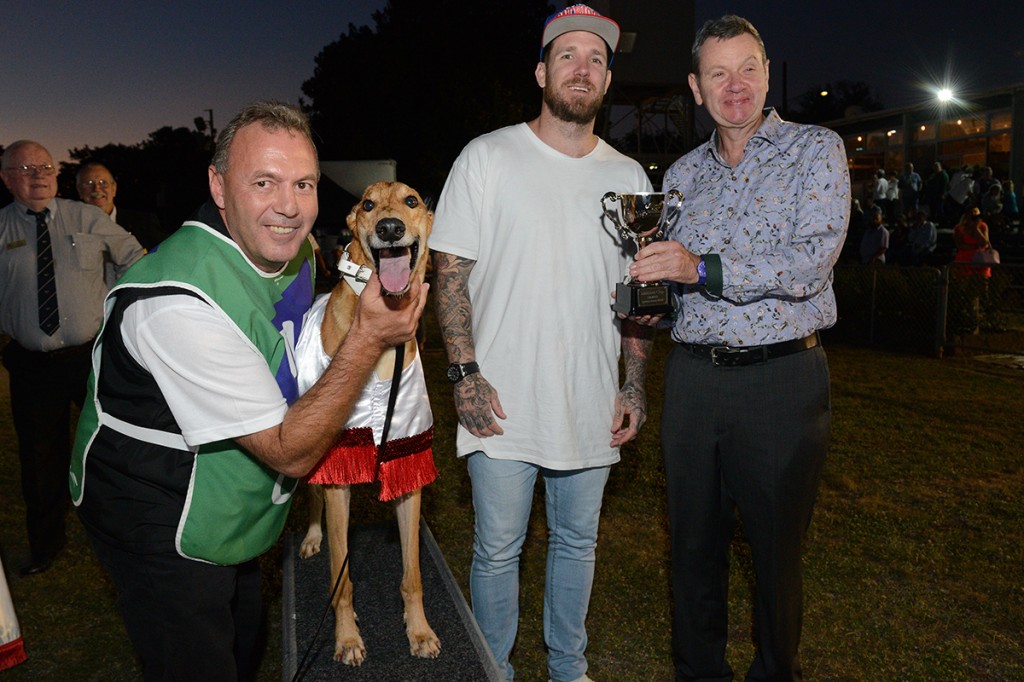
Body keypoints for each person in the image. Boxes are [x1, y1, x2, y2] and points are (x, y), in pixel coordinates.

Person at [69, 102, 427, 680]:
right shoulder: (175, 303)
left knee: (246, 639)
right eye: (264, 182)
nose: (288, 206)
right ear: (218, 184)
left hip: (241, 502)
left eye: (303, 184)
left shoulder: (291, 252)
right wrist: (366, 340)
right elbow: (291, 449)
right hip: (162, 516)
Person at [430, 6, 654, 681]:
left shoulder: (633, 180)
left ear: (607, 80)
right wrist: (464, 373)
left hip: (589, 397)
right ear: (541, 71)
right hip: (502, 398)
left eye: (594, 59)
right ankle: (492, 668)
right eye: (567, 56)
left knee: (577, 543)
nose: (580, 68)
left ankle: (568, 670)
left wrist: (634, 385)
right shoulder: (487, 156)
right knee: (497, 549)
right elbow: (450, 275)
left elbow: (639, 297)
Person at [626, 15, 849, 680]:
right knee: (692, 552)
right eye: (718, 73)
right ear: (695, 88)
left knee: (777, 555)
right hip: (694, 384)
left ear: (768, 72)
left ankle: (776, 671)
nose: (736, 85)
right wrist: (639, 295)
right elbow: (671, 291)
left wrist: (699, 269)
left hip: (783, 383)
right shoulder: (681, 178)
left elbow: (808, 263)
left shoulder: (816, 150)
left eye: (747, 67)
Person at [0, 140, 144, 576]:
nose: (38, 175)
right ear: (6, 178)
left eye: (44, 166)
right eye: (25, 169)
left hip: (90, 359)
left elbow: (135, 260)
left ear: (56, 174)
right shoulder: (1, 228)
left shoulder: (87, 217)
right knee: (39, 459)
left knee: (114, 447)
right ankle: (45, 547)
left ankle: (129, 531)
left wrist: (119, 315)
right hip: (30, 364)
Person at [75, 162, 168, 251]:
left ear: (114, 188)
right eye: (89, 183)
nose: (96, 188)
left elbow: (166, 255)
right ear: (79, 190)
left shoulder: (143, 223)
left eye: (103, 183)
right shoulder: (69, 227)